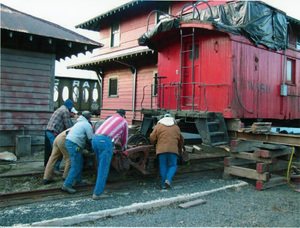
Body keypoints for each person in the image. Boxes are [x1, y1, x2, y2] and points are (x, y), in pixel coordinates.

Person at [92, 109, 128, 200]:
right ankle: (97, 193)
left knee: (100, 166)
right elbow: (124, 138)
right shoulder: (123, 121)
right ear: (123, 115)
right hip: (105, 141)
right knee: (103, 169)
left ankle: (98, 188)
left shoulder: (110, 119)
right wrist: (124, 148)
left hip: (95, 139)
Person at [61, 111, 94, 194]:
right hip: (74, 144)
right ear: (89, 118)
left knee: (79, 162)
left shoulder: (78, 123)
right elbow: (90, 139)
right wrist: (94, 149)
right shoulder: (86, 125)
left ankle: (78, 180)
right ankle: (67, 185)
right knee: (75, 165)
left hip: (70, 142)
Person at [150, 113, 184, 189]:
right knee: (173, 165)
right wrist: (180, 148)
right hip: (173, 150)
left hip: (161, 150)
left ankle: (163, 183)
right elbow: (181, 140)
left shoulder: (158, 126)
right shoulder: (176, 127)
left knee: (163, 166)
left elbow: (152, 137)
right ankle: (168, 179)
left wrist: (154, 144)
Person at [45, 99, 77, 170]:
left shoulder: (60, 109)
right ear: (69, 106)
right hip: (54, 132)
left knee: (55, 152)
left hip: (50, 131)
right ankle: (55, 168)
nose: (71, 108)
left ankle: (52, 169)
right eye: (71, 107)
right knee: (58, 152)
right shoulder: (65, 111)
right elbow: (67, 124)